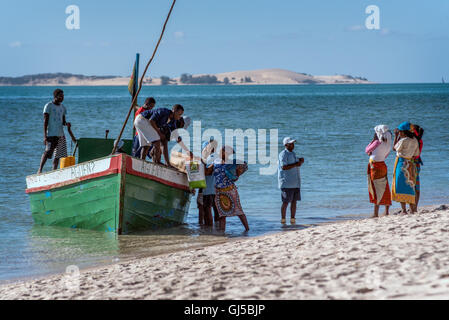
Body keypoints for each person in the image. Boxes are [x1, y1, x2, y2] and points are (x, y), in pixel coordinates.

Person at [205, 146, 249, 232]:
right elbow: (207, 172)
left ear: (227, 153)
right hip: (219, 192)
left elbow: (242, 169)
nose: (220, 153)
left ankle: (247, 229)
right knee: (222, 215)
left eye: (222, 151)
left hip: (230, 190)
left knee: (239, 212)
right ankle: (222, 233)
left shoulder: (232, 163)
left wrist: (238, 173)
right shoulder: (216, 161)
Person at [38, 89, 76, 173]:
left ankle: (53, 171)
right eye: (60, 96)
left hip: (60, 134)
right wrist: (45, 136)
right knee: (47, 152)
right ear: (55, 96)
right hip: (51, 134)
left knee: (58, 155)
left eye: (63, 96)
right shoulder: (48, 106)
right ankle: (40, 170)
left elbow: (63, 122)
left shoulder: (63, 107)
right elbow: (45, 122)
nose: (62, 98)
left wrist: (67, 124)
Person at [391, 121, 420, 214]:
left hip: (401, 163)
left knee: (400, 186)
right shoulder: (415, 140)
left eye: (399, 132)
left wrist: (396, 137)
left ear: (403, 132)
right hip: (410, 163)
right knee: (410, 186)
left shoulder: (403, 140)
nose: (399, 133)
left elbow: (394, 148)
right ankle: (412, 209)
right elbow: (416, 154)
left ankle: (403, 210)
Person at [365, 125, 392, 217]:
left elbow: (367, 150)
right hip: (382, 165)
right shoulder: (388, 145)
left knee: (376, 188)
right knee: (384, 186)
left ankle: (375, 213)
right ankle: (387, 211)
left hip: (375, 166)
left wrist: (372, 141)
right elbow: (385, 156)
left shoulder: (377, 142)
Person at [278, 137, 304, 224]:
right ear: (286, 145)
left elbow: (295, 164)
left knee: (294, 202)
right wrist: (297, 163)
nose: (293, 145)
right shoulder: (283, 154)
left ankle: (293, 220)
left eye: (293, 143)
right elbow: (284, 167)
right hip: (287, 183)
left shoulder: (293, 153)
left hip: (295, 182)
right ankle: (283, 220)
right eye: (290, 144)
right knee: (285, 202)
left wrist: (300, 161)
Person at [411, 124, 424, 210]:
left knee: (411, 186)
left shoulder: (414, 141)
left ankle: (413, 207)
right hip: (417, 164)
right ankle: (415, 207)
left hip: (412, 164)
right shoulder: (420, 141)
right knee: (417, 186)